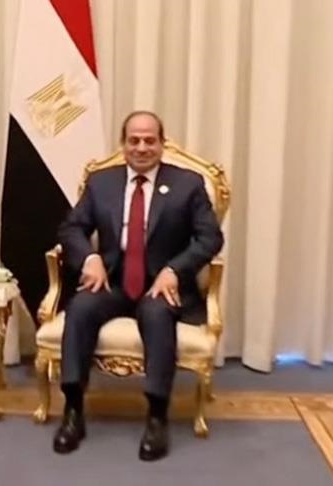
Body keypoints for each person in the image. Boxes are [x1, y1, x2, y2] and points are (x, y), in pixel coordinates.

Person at [52, 111, 224, 461]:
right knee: (80, 308)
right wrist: (89, 259)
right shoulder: (101, 183)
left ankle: (157, 416)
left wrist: (175, 270)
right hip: (113, 281)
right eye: (134, 140)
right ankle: (73, 410)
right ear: (123, 144)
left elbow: (210, 238)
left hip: (162, 285)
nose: (142, 148)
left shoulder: (188, 183)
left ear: (162, 144)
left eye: (149, 140)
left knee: (157, 315)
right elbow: (71, 229)